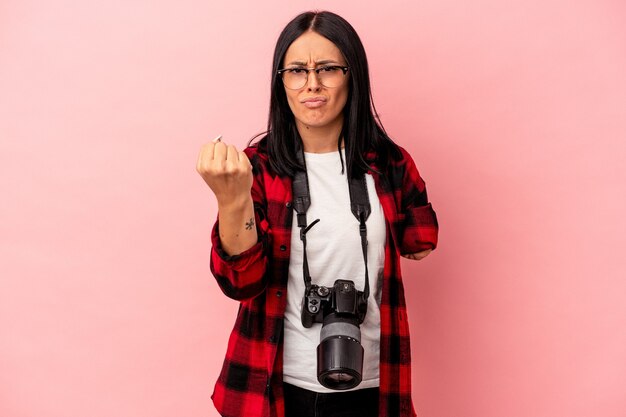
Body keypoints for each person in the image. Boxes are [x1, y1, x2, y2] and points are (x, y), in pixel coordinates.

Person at [196, 10, 438, 417]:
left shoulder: (390, 164)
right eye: (296, 70)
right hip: (279, 381)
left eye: (327, 68)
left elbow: (422, 241)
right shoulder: (258, 166)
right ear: (281, 81)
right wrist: (232, 198)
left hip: (374, 382)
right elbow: (240, 281)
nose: (312, 84)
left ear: (352, 74)